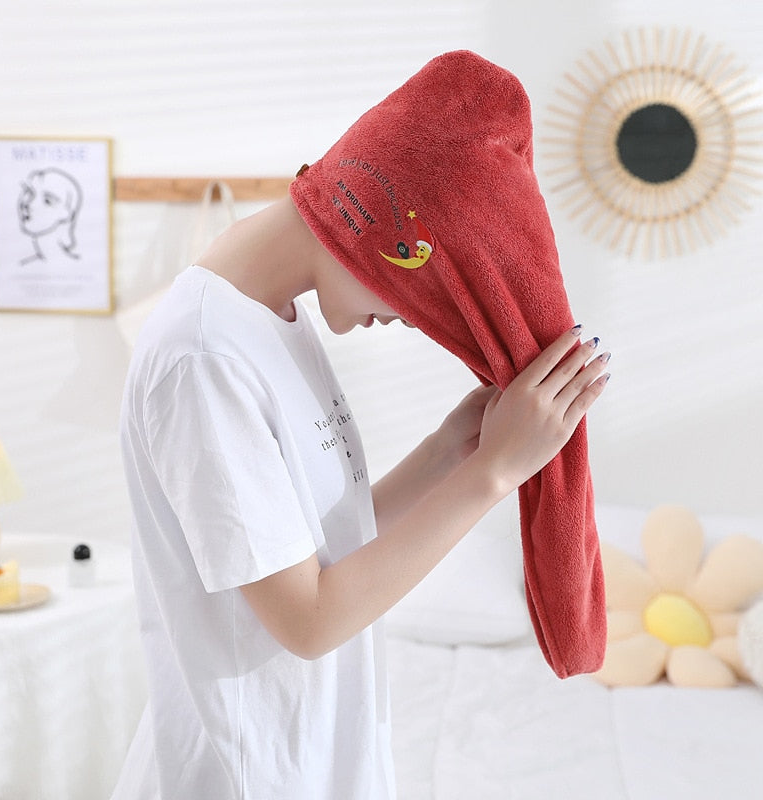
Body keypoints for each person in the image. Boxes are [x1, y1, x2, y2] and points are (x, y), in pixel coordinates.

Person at [113, 51, 609, 800]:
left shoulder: (273, 319)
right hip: (247, 773)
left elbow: (319, 547)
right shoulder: (204, 357)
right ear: (383, 238)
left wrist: (449, 451)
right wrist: (493, 473)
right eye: (426, 299)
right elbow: (308, 621)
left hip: (309, 758)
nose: (413, 320)